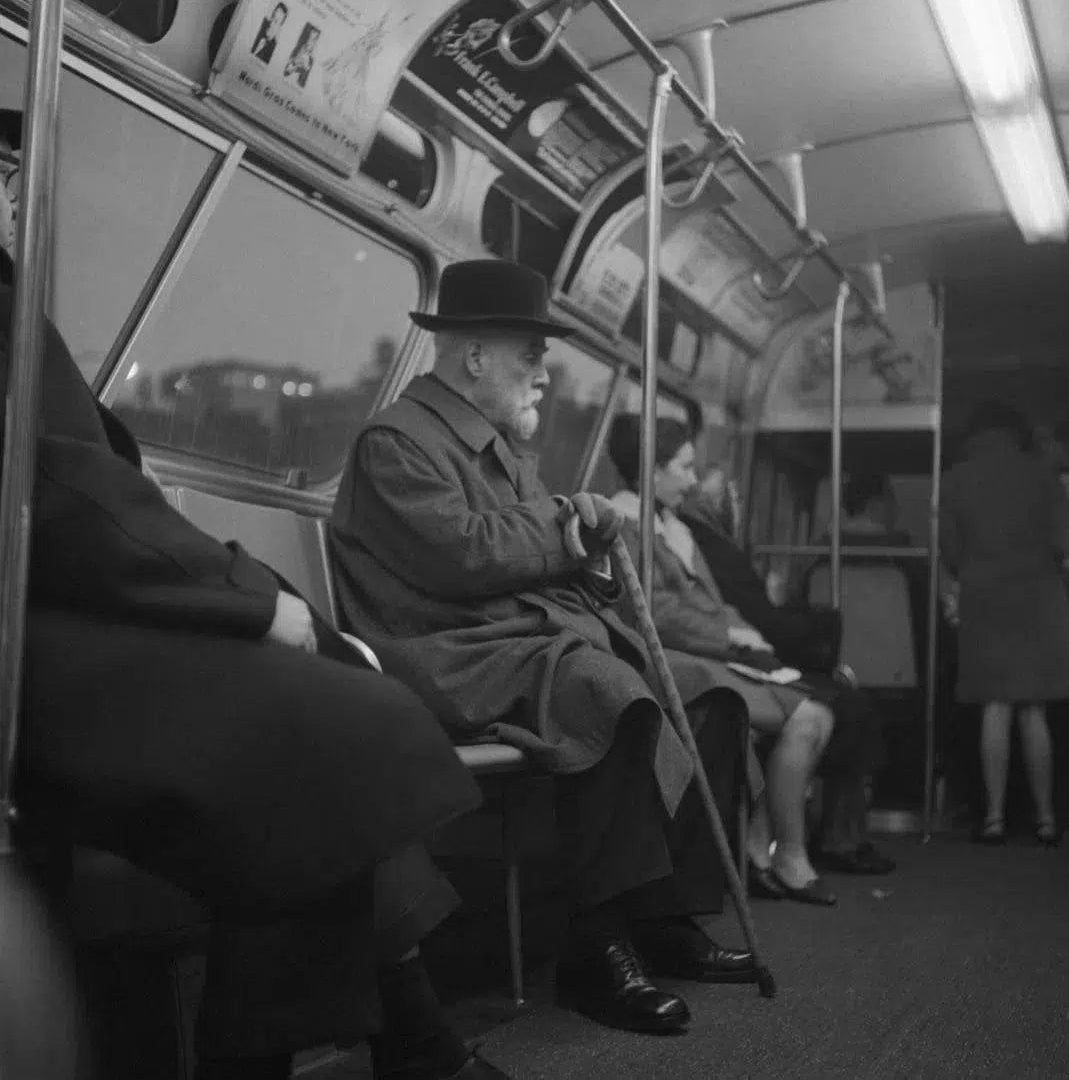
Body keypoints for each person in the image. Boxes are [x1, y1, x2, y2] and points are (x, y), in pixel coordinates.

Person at [0, 109, 507, 1080]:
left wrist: (249, 591)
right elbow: (68, 492)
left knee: (335, 726)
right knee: (327, 732)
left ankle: (408, 1037)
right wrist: (253, 600)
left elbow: (90, 504)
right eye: (5, 174)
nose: (20, 197)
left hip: (76, 609)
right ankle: (393, 1041)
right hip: (38, 636)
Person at [329, 259, 760, 1036]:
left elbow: (544, 557)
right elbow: (463, 555)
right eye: (531, 355)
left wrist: (585, 552)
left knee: (710, 693)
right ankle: (595, 950)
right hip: (453, 653)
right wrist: (566, 524)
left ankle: (665, 918)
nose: (543, 374)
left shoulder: (500, 448)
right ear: (474, 357)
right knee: (606, 691)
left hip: (521, 640)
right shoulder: (395, 442)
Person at [606, 416, 844, 906]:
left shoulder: (672, 528)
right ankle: (787, 855)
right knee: (809, 716)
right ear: (651, 470)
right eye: (684, 467)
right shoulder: (624, 526)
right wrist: (731, 638)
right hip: (677, 662)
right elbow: (655, 614)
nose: (692, 480)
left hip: (709, 655)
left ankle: (761, 848)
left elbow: (712, 604)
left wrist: (746, 633)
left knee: (816, 713)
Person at [681, 466, 894, 877]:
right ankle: (829, 839)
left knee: (839, 702)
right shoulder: (713, 548)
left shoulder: (702, 542)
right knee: (846, 706)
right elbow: (759, 620)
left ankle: (781, 843)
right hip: (736, 656)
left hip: (742, 649)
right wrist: (819, 633)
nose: (739, 504)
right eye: (733, 496)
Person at [940, 399, 1069, 846]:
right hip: (1039, 598)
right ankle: (1046, 819)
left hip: (985, 597)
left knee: (994, 706)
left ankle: (994, 818)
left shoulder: (956, 477)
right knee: (1033, 709)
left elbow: (950, 550)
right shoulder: (1042, 473)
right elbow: (1066, 542)